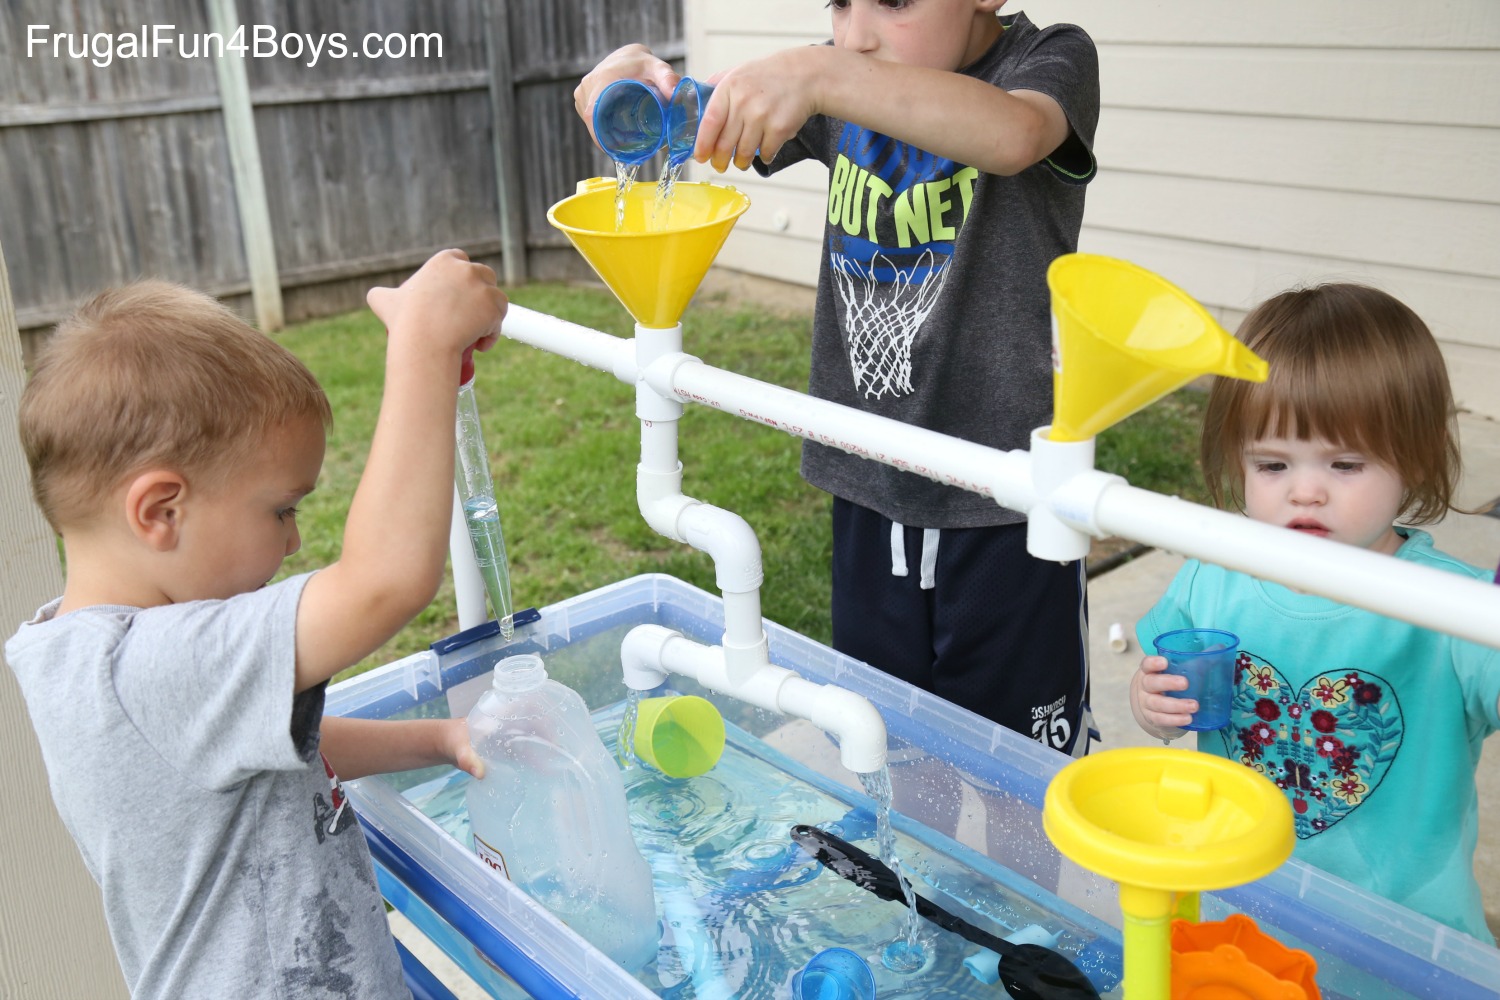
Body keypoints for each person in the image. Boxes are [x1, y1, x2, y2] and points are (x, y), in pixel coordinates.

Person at [574, 0, 1100, 761]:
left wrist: (821, 74)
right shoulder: (836, 82)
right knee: (884, 744)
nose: (855, 34)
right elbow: (707, 117)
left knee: (1021, 769)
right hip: (866, 485)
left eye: (893, 1)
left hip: (1010, 506)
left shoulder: (1049, 61)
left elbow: (1014, 135)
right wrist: (631, 97)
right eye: (840, 4)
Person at [5, 251, 507, 997]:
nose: (295, 541)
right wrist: (425, 344)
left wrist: (439, 739)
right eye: (282, 510)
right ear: (161, 511)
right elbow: (384, 581)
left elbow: (279, 750)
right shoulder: (155, 666)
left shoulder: (79, 656)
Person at [1130, 283, 1500, 942]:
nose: (1305, 491)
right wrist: (1152, 704)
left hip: (1402, 939)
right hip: (1243, 906)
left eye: (1345, 464)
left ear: (1414, 458)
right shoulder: (1214, 576)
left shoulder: (1453, 608)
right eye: (1273, 464)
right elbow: (1166, 687)